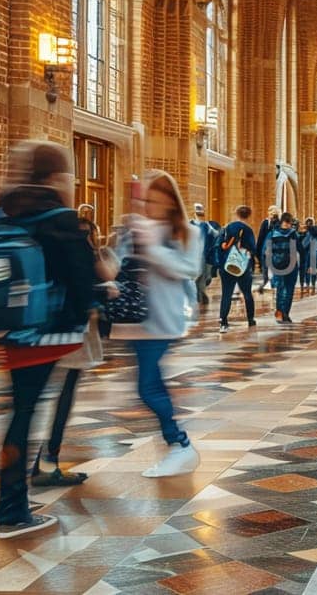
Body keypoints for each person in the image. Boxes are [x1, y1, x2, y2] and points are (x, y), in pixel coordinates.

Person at [0, 140, 99, 538]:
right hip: (46, 332)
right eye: (69, 174)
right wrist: (95, 305)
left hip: (7, 329)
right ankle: (12, 511)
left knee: (20, 414)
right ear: (56, 176)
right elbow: (82, 279)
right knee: (25, 416)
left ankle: (13, 502)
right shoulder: (59, 217)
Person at [111, 171, 203, 478]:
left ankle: (180, 444)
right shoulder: (136, 229)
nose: (147, 205)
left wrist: (153, 248)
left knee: (148, 387)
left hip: (162, 320)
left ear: (169, 201)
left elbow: (188, 269)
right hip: (133, 318)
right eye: (144, 199)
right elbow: (119, 267)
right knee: (150, 384)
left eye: (153, 199)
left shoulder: (188, 232)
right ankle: (178, 445)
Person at [31, 207, 117, 488]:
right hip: (70, 330)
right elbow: (93, 282)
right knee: (64, 393)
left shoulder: (39, 238)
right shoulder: (76, 245)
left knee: (37, 396)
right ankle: (47, 461)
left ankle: (39, 462)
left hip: (37, 326)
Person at [218, 205, 258, 330]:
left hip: (227, 265)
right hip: (243, 266)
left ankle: (223, 321)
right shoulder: (248, 230)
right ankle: (250, 320)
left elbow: (220, 245)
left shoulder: (227, 227)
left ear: (236, 214)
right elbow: (253, 248)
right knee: (247, 293)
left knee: (226, 293)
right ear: (249, 215)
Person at [266, 212, 301, 324]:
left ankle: (280, 313)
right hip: (291, 265)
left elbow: (267, 250)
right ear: (290, 222)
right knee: (289, 289)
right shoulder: (293, 234)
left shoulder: (272, 233)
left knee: (280, 289)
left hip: (277, 265)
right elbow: (301, 248)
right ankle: (286, 313)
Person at [190, 204, 219, 312]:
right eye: (198, 212)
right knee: (198, 276)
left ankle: (200, 292)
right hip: (194, 256)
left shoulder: (207, 225)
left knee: (207, 277)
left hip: (206, 255)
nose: (199, 215)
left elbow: (216, 235)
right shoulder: (190, 225)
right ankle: (200, 295)